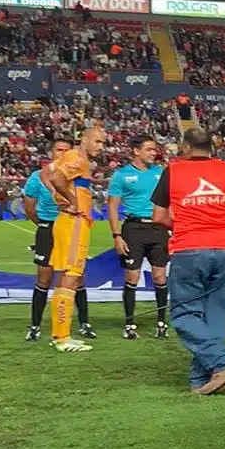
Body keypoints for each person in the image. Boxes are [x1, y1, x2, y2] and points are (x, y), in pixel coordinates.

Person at [150, 127, 225, 394]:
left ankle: (222, 362)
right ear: (211, 147)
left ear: (186, 148)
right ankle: (201, 379)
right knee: (217, 314)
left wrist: (184, 225)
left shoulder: (173, 171)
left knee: (184, 313)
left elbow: (158, 216)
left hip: (189, 248)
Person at [22, 137, 93, 344]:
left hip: (71, 226)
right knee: (44, 278)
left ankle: (84, 323)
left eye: (66, 150)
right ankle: (35, 326)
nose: (62, 153)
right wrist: (43, 225)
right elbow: (29, 207)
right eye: (58, 149)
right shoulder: (37, 177)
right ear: (51, 152)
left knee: (75, 277)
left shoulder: (73, 170)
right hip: (49, 227)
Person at [47, 123, 107, 353]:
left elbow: (49, 175)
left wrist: (60, 198)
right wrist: (71, 201)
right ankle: (62, 338)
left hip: (68, 222)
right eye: (97, 141)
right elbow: (56, 179)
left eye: (103, 142)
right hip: (74, 223)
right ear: (84, 139)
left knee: (66, 277)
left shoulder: (70, 156)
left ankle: (60, 334)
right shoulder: (78, 159)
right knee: (72, 276)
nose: (101, 147)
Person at [107, 136, 169, 340]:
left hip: (159, 228)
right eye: (149, 149)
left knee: (160, 277)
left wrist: (173, 228)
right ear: (136, 151)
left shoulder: (160, 174)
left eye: (155, 150)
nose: (154, 153)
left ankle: (162, 322)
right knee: (131, 277)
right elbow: (113, 206)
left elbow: (170, 204)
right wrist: (117, 235)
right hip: (133, 229)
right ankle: (130, 323)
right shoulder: (121, 175)